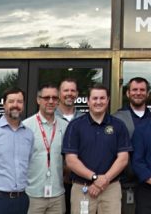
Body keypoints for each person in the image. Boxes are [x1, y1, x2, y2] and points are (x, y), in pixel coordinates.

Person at [62, 84, 132, 214]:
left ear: (108, 100)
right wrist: (94, 178)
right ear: (88, 101)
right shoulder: (75, 126)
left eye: (102, 98)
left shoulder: (118, 125)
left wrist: (104, 179)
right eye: (94, 98)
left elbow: (123, 159)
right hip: (82, 187)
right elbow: (71, 160)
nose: (98, 102)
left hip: (111, 188)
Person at [23, 84, 69, 214]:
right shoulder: (26, 127)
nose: (50, 101)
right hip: (33, 195)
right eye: (46, 97)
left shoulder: (65, 126)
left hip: (57, 195)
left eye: (54, 98)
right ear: (38, 100)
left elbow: (69, 159)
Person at [112, 77, 151, 214]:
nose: (138, 93)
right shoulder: (117, 118)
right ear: (128, 93)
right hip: (126, 184)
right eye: (134, 89)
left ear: (147, 94)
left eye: (142, 90)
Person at [54, 78, 84, 214]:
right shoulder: (49, 117)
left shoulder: (85, 119)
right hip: (55, 182)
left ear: (77, 94)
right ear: (59, 93)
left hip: (80, 181)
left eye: (73, 90)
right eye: (66, 90)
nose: (69, 93)